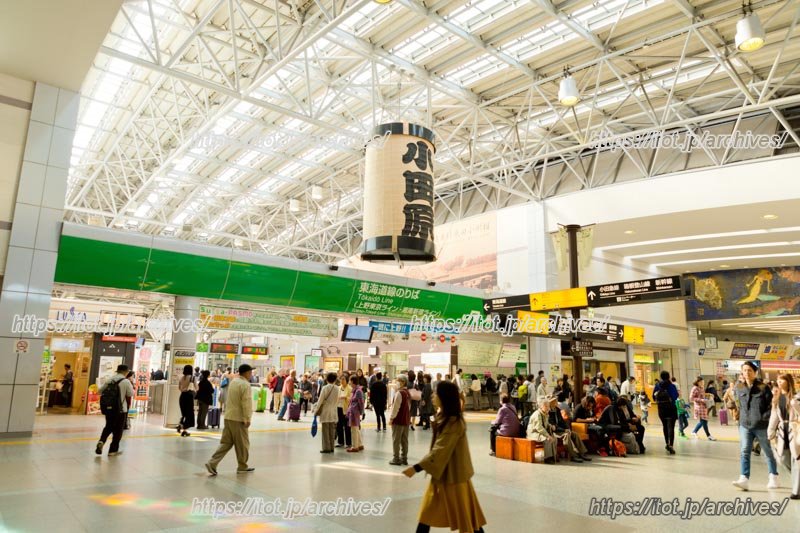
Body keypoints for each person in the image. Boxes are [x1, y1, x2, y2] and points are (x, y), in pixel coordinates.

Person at [403, 380, 487, 533]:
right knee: (427, 516)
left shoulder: (453, 423)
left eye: (436, 394)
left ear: (444, 398)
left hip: (454, 477)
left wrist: (416, 468)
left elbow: (440, 450)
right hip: (444, 475)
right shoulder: (445, 417)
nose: (433, 396)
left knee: (466, 518)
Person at [733, 361, 780, 491]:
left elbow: (771, 407)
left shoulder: (763, 387)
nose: (747, 373)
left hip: (761, 426)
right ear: (741, 372)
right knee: (744, 451)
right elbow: (739, 404)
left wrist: (763, 418)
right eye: (744, 370)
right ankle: (744, 478)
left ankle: (773, 476)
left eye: (750, 370)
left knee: (767, 451)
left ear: (755, 372)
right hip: (745, 425)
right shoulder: (739, 387)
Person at [205, 364, 254, 475]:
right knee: (243, 444)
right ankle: (242, 466)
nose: (251, 374)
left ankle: (212, 463)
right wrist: (247, 418)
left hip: (228, 417)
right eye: (250, 372)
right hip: (239, 419)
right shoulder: (245, 385)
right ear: (246, 373)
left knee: (226, 443)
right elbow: (246, 402)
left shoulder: (234, 382)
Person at [768, 374, 797, 499]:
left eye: (782, 380)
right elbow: (774, 416)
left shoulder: (796, 397)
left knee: (796, 459)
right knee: (783, 458)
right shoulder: (777, 398)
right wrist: (771, 432)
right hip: (782, 431)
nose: (779, 382)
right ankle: (798, 480)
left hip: (795, 430)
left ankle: (797, 489)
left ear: (788, 381)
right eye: (778, 380)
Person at [95, 365, 133, 456]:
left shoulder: (110, 380)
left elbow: (99, 391)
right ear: (126, 372)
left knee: (108, 427)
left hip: (109, 408)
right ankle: (113, 450)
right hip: (120, 409)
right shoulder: (126, 381)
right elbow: (130, 393)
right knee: (118, 430)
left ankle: (101, 441)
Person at [548, 397, 591, 462]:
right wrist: (564, 430)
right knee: (566, 436)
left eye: (556, 400)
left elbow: (562, 421)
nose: (556, 402)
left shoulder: (557, 410)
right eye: (554, 401)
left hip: (561, 429)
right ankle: (573, 456)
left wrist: (567, 428)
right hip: (554, 431)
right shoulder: (548, 411)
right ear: (550, 403)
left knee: (575, 434)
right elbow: (552, 425)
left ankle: (582, 453)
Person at [653, 371, 679, 455]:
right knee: (671, 427)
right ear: (669, 377)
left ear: (660, 377)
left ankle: (666, 443)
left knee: (665, 426)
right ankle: (671, 444)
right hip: (671, 409)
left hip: (661, 410)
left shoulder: (657, 386)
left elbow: (654, 397)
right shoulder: (672, 386)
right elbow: (675, 396)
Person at [314, 372, 340, 453]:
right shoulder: (337, 388)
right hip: (333, 411)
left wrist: (316, 410)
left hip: (325, 412)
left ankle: (326, 448)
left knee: (325, 431)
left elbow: (320, 400)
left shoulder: (325, 388)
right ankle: (332, 447)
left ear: (327, 379)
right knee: (332, 431)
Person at [527, 397, 558, 464]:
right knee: (547, 439)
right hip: (533, 433)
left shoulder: (545, 413)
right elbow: (539, 427)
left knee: (554, 438)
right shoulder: (537, 414)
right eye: (546, 406)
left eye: (548, 406)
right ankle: (547, 458)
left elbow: (545, 424)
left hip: (540, 432)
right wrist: (547, 435)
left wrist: (551, 426)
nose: (548, 408)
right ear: (541, 406)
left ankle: (554, 456)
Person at [389, 374, 411, 466]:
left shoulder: (399, 393)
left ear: (403, 382)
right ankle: (404, 458)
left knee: (396, 440)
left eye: (398, 380)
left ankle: (396, 458)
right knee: (404, 440)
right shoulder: (407, 392)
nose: (396, 382)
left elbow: (395, 408)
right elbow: (409, 406)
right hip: (406, 419)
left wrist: (391, 418)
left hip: (398, 420)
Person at [346, 375, 365, 453]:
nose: (349, 382)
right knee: (356, 428)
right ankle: (359, 444)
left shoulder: (358, 391)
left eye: (350, 380)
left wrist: (362, 412)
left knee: (354, 429)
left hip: (355, 412)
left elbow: (361, 402)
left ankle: (355, 446)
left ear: (353, 381)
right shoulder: (355, 390)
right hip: (353, 411)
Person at [177, 364, 196, 437]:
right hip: (189, 397)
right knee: (189, 414)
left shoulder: (181, 378)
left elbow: (179, 388)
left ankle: (181, 426)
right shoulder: (192, 378)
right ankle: (183, 428)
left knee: (184, 414)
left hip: (182, 396)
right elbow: (197, 388)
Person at [336, 375, 352, 448]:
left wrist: (345, 397)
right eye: (341, 379)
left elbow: (351, 399)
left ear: (347, 380)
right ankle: (340, 442)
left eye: (343, 379)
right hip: (338, 408)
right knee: (339, 425)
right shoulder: (338, 388)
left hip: (346, 409)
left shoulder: (349, 389)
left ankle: (348, 443)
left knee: (347, 426)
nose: (342, 381)